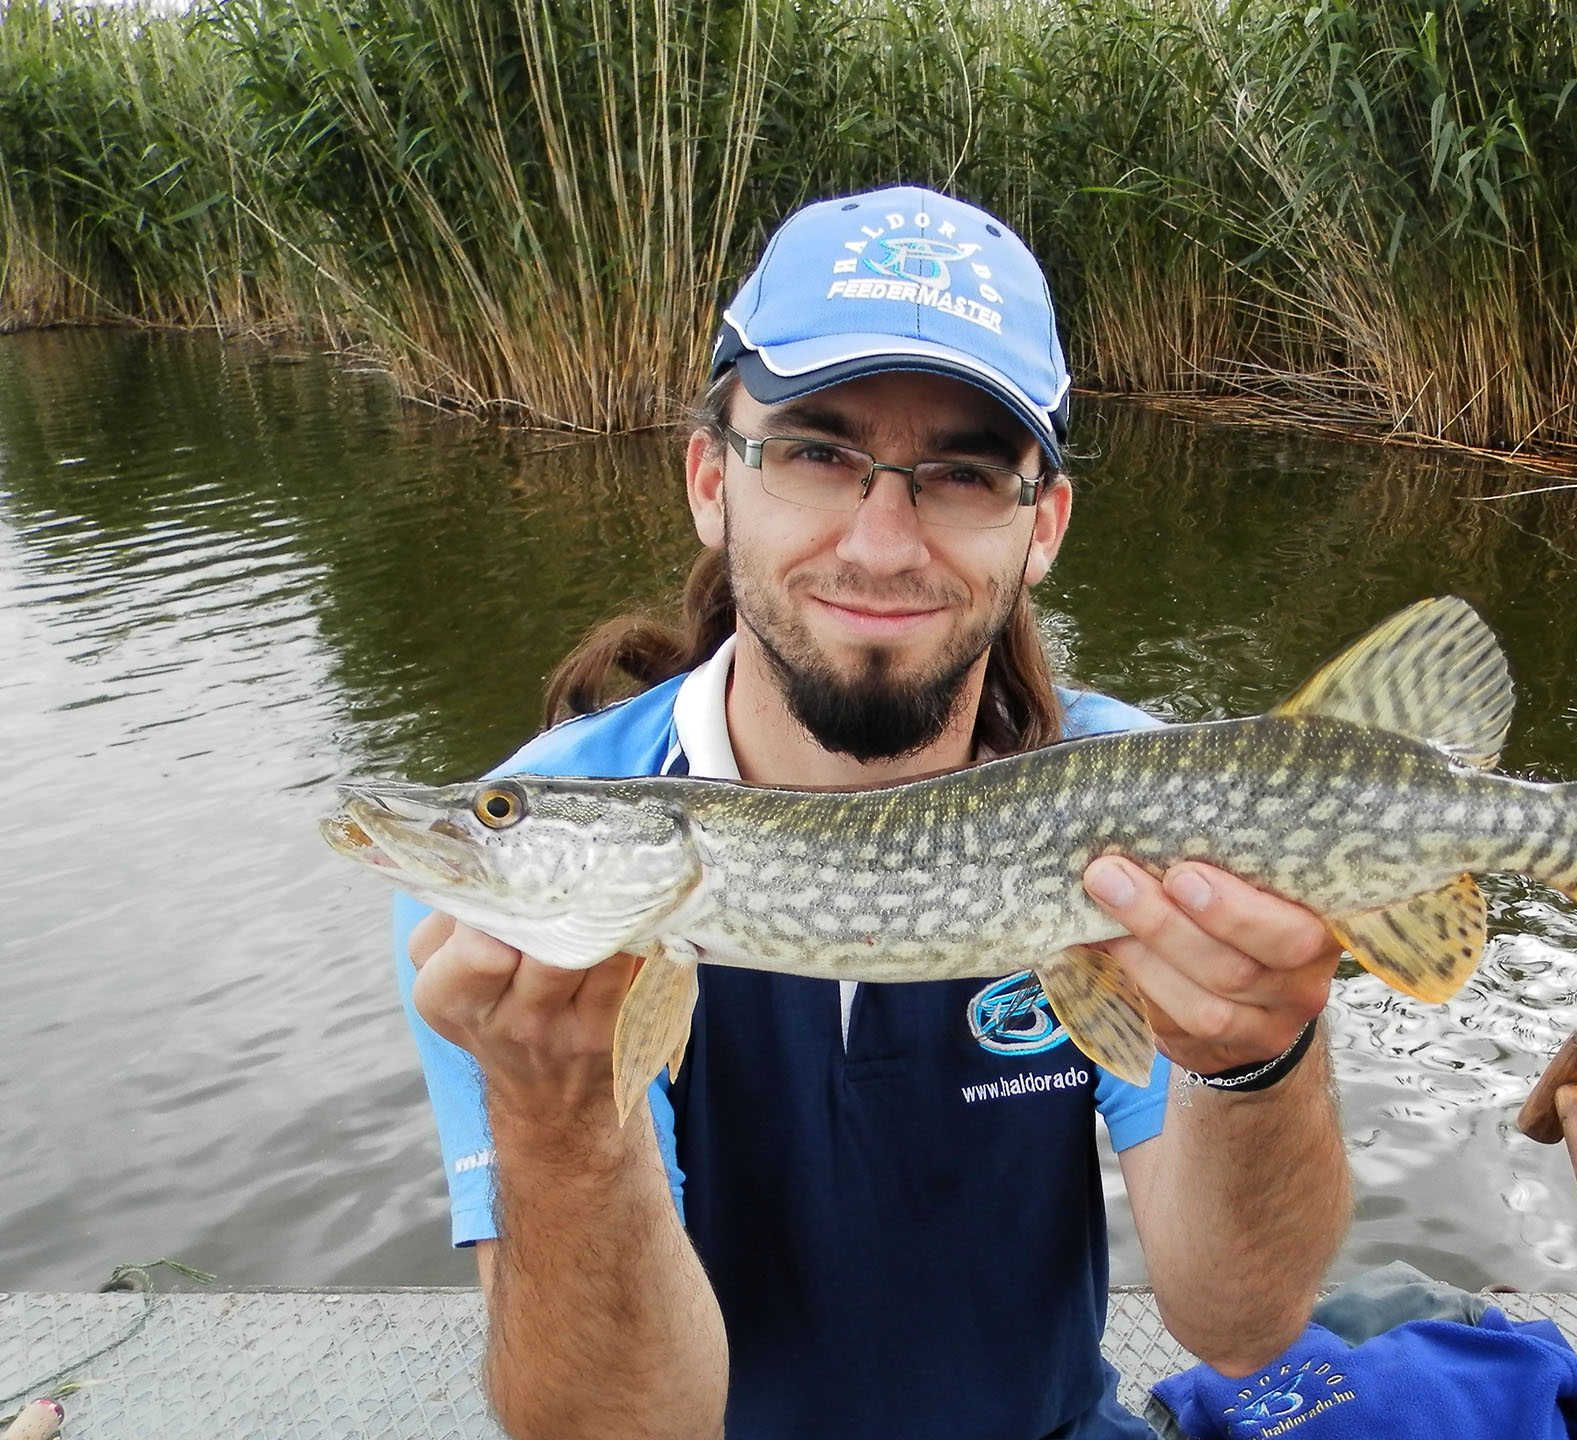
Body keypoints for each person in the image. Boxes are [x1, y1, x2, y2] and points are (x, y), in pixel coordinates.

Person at [395, 185, 1351, 1440]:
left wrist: (1261, 1056)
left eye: (960, 472)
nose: (883, 543)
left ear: (1042, 526)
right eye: (816, 452)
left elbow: (1241, 1324)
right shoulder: (512, 885)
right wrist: (558, 1122)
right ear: (709, 478)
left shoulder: (1148, 799)